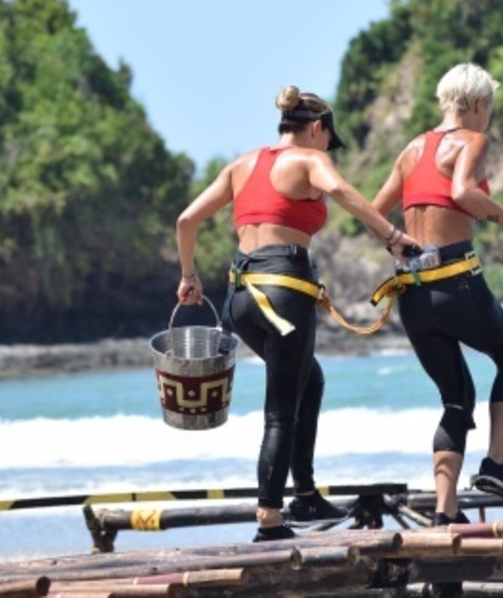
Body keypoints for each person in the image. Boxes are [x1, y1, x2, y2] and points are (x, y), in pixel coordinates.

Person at [176, 86, 423, 542]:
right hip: (283, 294)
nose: (328, 149)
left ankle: (305, 495)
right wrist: (392, 237)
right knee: (280, 412)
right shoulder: (310, 160)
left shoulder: (241, 165)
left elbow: (186, 221)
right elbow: (342, 191)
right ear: (316, 128)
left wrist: (189, 275)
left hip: (240, 298)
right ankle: (270, 518)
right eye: (328, 140)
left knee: (309, 380)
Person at [371, 62, 503, 527]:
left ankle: (445, 513)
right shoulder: (473, 140)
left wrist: (395, 242)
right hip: (456, 285)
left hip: (412, 295)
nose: (488, 116)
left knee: (456, 398)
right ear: (477, 103)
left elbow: (374, 211)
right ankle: (496, 465)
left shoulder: (412, 149)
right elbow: (464, 193)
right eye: (489, 106)